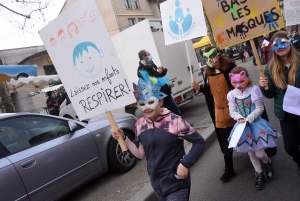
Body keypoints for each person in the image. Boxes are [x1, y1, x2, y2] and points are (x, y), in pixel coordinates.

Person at [112, 70, 206, 201]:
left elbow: (199, 142)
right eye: (142, 104)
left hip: (176, 183)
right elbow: (140, 154)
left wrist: (185, 164)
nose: (147, 108)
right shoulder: (140, 124)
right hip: (157, 186)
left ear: (161, 101)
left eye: (151, 102)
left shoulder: (174, 121)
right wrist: (124, 138)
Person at [227, 66, 280, 190]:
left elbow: (260, 108)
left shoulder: (254, 90)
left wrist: (249, 118)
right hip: (242, 127)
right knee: (251, 153)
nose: (239, 85)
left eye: (241, 81)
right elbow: (232, 111)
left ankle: (267, 163)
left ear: (246, 78)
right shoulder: (231, 94)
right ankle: (259, 173)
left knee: (260, 153)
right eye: (235, 82)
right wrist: (239, 118)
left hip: (256, 124)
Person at [191, 46, 237, 182]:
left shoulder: (230, 67)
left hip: (235, 109)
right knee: (225, 142)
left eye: (212, 56)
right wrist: (199, 88)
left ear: (218, 55)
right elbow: (210, 92)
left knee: (246, 135)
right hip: (219, 112)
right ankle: (229, 169)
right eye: (206, 58)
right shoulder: (208, 73)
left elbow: (241, 84)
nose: (210, 60)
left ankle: (259, 163)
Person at [259, 30, 300, 176]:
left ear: (290, 42)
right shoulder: (270, 68)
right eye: (276, 44)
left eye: (284, 42)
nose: (280, 46)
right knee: (290, 148)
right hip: (286, 114)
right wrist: (264, 86)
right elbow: (269, 95)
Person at [137, 50, 181, 116]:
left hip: (164, 91)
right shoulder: (141, 69)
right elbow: (149, 81)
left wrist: (163, 71)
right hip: (156, 95)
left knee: (174, 108)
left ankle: (182, 123)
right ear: (143, 57)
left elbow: (158, 76)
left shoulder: (151, 63)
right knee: (162, 113)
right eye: (148, 55)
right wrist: (157, 73)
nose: (150, 56)